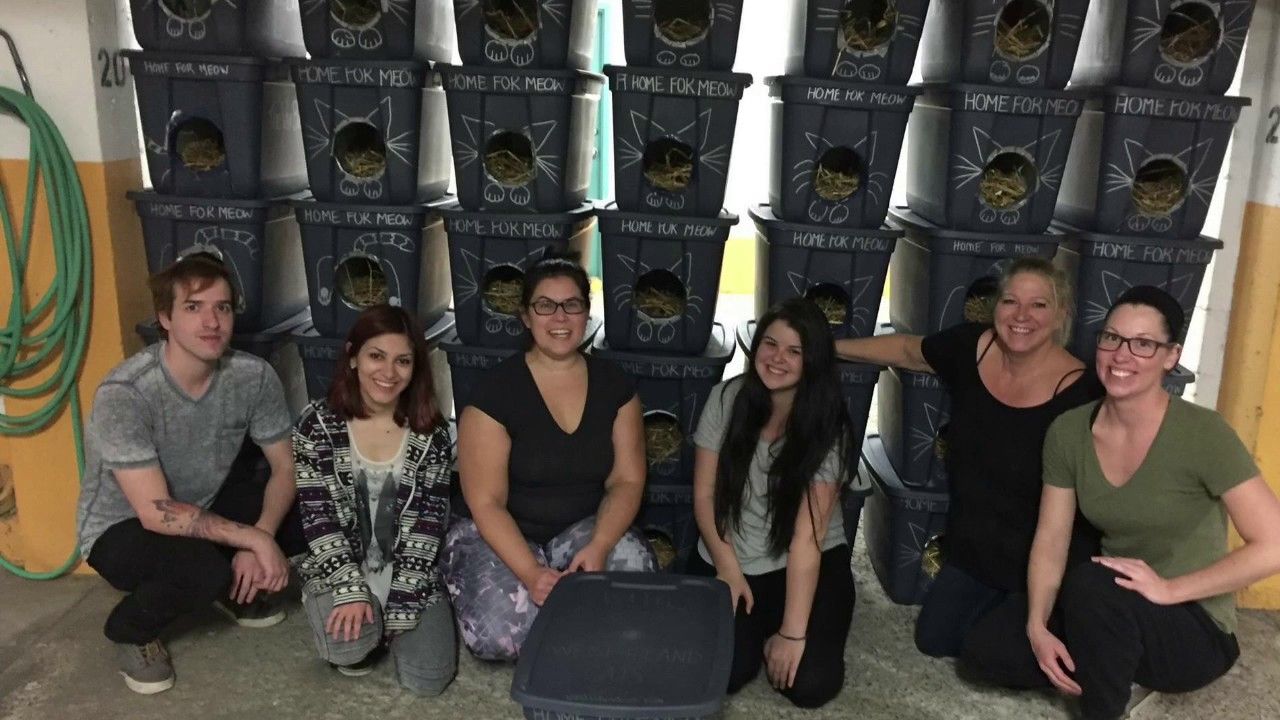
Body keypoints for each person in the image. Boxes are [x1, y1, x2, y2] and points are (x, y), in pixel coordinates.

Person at [1023, 286, 1280, 719]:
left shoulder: (1204, 433)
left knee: (1090, 585)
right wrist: (1036, 626)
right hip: (1119, 605)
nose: (1121, 355)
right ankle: (1114, 664)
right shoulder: (1069, 432)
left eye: (1143, 344)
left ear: (1170, 356)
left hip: (1195, 627)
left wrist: (1168, 589)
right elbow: (1051, 539)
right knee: (994, 651)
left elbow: (1274, 545)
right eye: (1112, 338)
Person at [834, 258, 1103, 669]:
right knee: (933, 639)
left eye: (1039, 305)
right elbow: (907, 350)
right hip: (976, 554)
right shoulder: (973, 348)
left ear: (1061, 314)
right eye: (1010, 301)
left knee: (987, 657)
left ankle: (1074, 635)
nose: (1022, 315)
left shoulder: (1081, 393)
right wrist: (828, 348)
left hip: (1042, 562)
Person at [76, 253, 297, 695]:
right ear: (165, 318)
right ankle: (130, 629)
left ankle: (234, 586)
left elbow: (285, 466)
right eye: (193, 307)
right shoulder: (127, 393)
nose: (212, 322)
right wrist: (252, 539)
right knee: (200, 571)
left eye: (222, 307)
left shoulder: (253, 376)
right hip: (122, 528)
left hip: (203, 504)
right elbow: (156, 512)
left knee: (314, 509)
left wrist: (263, 533)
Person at [441, 256, 656, 661]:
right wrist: (531, 573)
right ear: (526, 316)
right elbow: (486, 502)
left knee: (633, 600)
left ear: (586, 313)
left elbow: (626, 480)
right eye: (545, 305)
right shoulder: (494, 392)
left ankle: (569, 624)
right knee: (499, 638)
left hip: (581, 527)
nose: (560, 316)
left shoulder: (615, 385)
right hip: (500, 532)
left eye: (572, 304)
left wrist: (600, 544)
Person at [688, 298, 856, 708]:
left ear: (813, 362)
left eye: (794, 351)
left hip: (805, 560)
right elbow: (705, 495)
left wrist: (792, 634)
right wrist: (727, 569)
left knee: (810, 685)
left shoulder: (828, 425)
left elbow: (807, 541)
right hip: (731, 553)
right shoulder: (726, 399)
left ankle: (777, 630)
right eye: (770, 343)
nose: (777, 358)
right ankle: (754, 631)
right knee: (723, 673)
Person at [293, 304, 457, 695]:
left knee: (428, 680)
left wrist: (403, 599)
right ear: (353, 357)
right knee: (349, 650)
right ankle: (345, 608)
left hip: (410, 570)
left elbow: (428, 525)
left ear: (415, 367)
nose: (389, 372)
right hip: (339, 567)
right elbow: (319, 519)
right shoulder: (316, 424)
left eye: (403, 361)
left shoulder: (431, 432)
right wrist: (350, 589)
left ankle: (386, 619)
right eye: (376, 356)